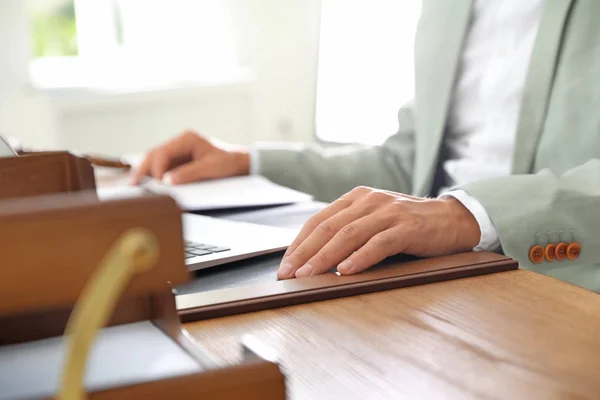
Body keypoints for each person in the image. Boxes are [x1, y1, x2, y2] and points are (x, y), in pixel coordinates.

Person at [132, 0, 600, 292]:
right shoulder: (447, 11)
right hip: (435, 277)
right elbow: (405, 166)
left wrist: (464, 216)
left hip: (563, 279)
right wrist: (248, 161)